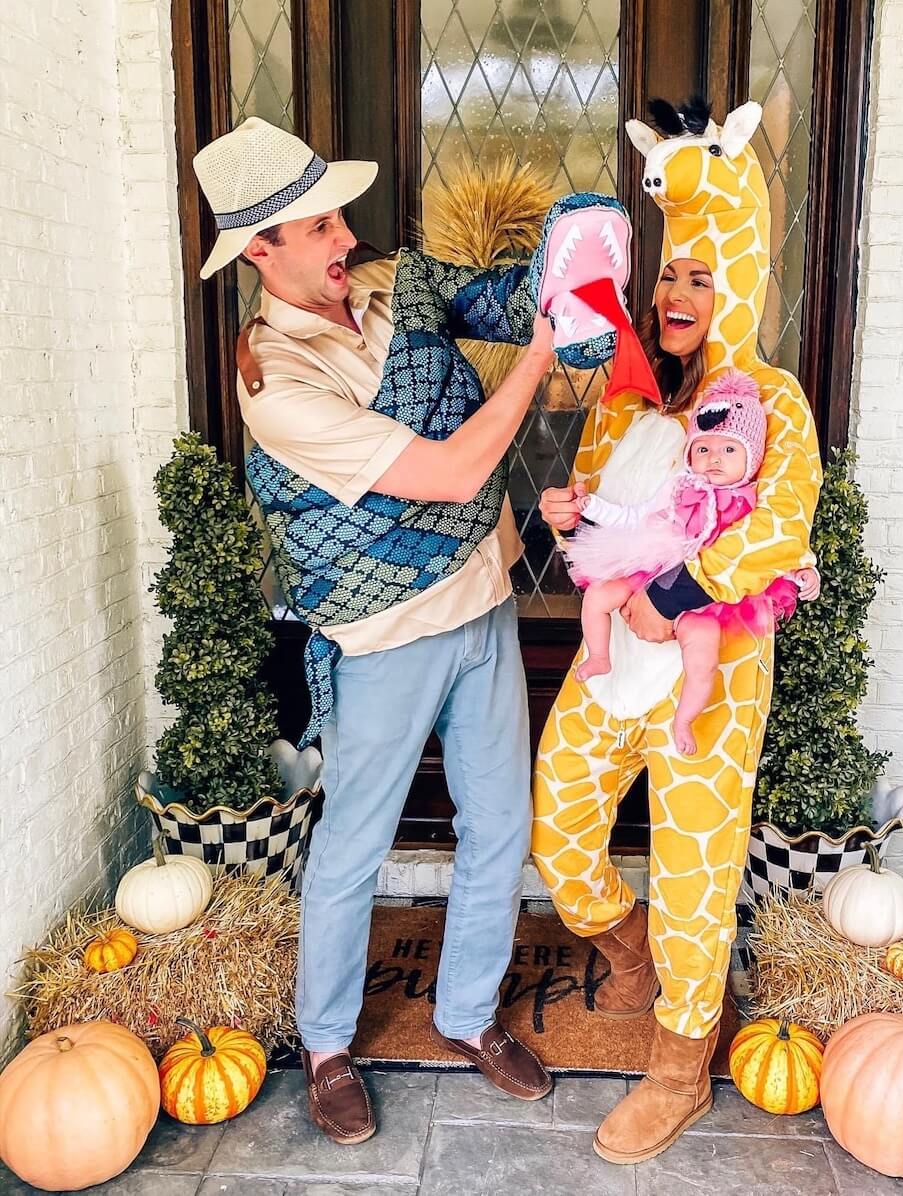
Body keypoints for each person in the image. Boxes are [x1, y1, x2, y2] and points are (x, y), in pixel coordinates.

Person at [191, 116, 569, 1145]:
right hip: (384, 636)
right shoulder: (278, 385)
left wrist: (567, 264)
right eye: (314, 227)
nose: (341, 237)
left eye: (336, 216)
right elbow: (450, 472)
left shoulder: (390, 282)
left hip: (485, 597)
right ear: (257, 251)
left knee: (501, 827)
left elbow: (499, 300)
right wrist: (534, 360)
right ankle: (324, 1045)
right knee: (354, 845)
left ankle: (467, 1014)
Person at [531, 97, 823, 1165]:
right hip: (615, 663)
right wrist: (567, 507)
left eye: (698, 275)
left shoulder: (773, 403)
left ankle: (679, 1063)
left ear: (734, 281)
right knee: (558, 821)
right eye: (666, 274)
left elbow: (779, 530)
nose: (674, 291)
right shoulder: (625, 395)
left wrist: (679, 592)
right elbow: (602, 499)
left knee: (696, 865)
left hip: (712, 660)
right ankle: (627, 945)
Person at [561, 369, 820, 751]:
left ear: (751, 459)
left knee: (702, 657)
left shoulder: (750, 501)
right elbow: (636, 516)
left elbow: (776, 542)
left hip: (705, 598)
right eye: (704, 449)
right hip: (653, 565)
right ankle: (599, 656)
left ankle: (684, 721)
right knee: (598, 596)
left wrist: (804, 570)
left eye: (729, 450)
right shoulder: (679, 488)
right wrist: (591, 508)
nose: (715, 459)